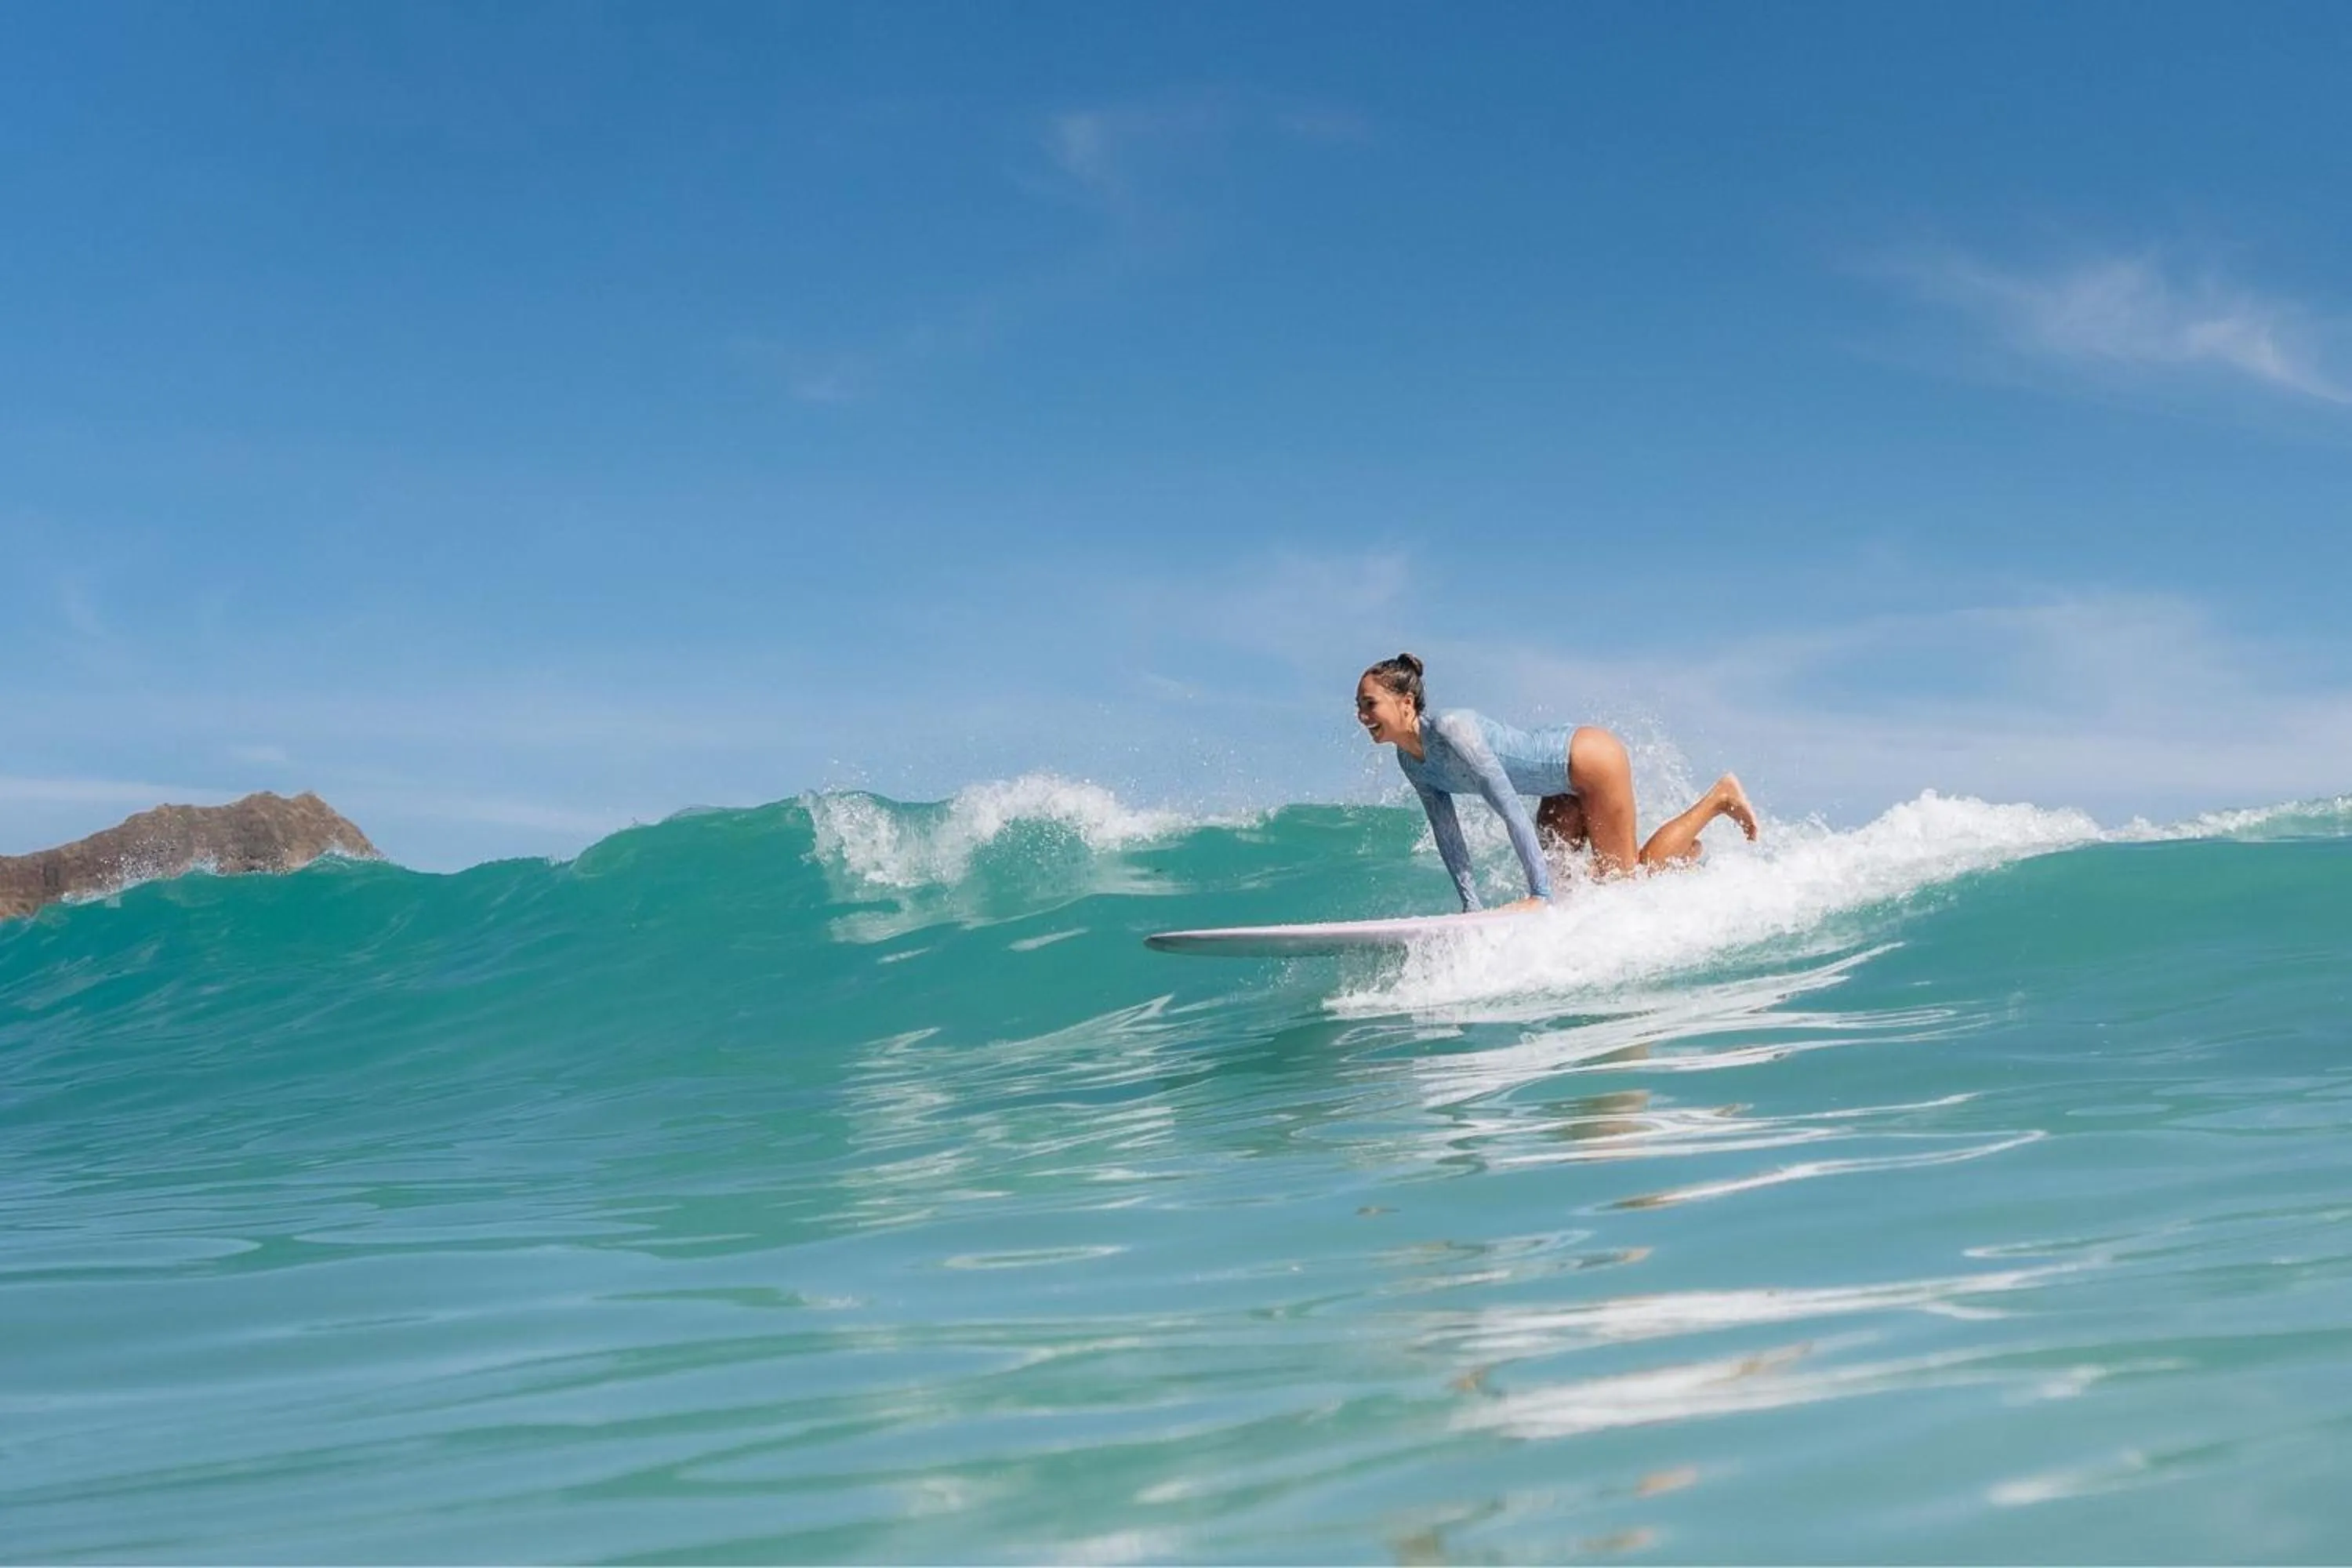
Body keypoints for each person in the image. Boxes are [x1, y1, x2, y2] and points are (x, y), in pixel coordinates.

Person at [1356, 652, 1758, 910]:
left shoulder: (1452, 729)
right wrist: (1471, 906)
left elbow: (1509, 807)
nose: (1362, 715)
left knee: (1621, 885)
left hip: (1588, 760)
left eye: (1370, 704)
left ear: (1406, 702)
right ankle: (1681, 859)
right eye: (1359, 706)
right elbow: (1448, 835)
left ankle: (1719, 798)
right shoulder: (1411, 762)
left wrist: (1537, 895)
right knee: (1572, 894)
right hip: (1557, 787)